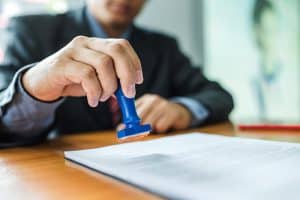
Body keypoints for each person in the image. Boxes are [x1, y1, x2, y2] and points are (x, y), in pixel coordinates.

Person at [0, 0, 233, 146]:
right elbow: (5, 120)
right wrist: (31, 89)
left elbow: (219, 96)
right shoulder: (30, 31)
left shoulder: (164, 47)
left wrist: (183, 110)